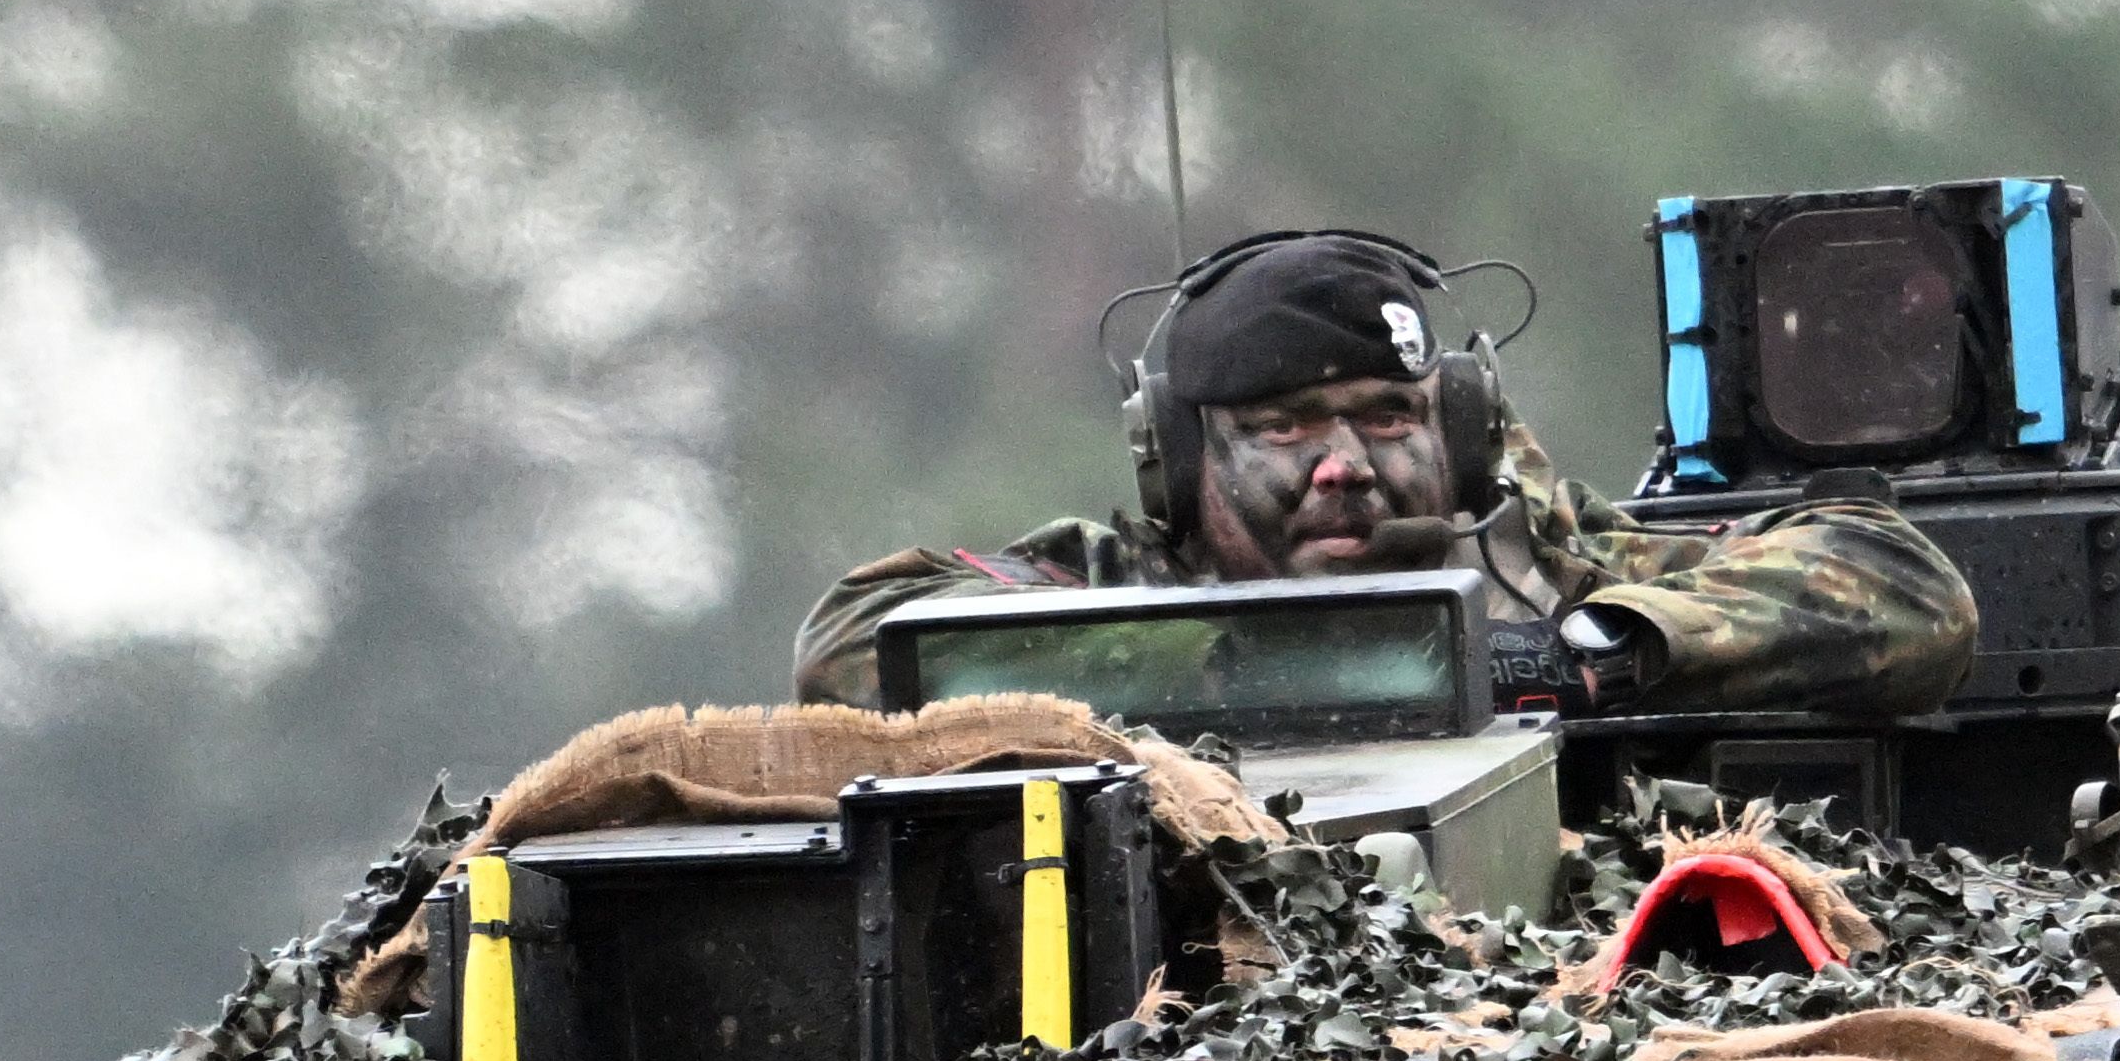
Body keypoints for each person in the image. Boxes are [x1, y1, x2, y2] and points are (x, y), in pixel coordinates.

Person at [792, 227, 1976, 717]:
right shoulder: (1106, 581)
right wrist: (1220, 664)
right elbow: (855, 644)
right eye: (1287, 427)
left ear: (1454, 428)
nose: (1346, 467)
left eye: (1387, 416)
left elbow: (1904, 587)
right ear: (1184, 456)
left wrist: (1578, 652)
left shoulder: (1547, 566)